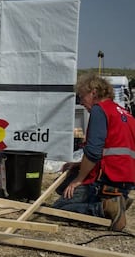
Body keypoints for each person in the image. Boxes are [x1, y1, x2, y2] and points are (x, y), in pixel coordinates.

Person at [53, 72, 135, 231]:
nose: (81, 102)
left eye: (82, 96)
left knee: (59, 208)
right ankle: (117, 201)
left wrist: (79, 180)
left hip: (107, 179)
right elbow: (113, 149)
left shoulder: (100, 110)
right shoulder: (124, 113)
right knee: (64, 188)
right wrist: (78, 164)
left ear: (93, 92)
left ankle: (105, 208)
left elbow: (93, 152)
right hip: (125, 179)